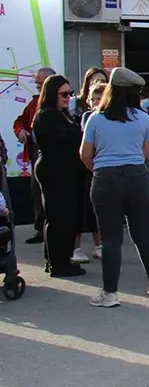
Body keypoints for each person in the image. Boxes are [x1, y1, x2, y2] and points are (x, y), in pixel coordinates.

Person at [80, 67, 149, 307]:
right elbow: (147, 153)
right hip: (137, 175)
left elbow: (85, 154)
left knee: (110, 238)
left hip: (105, 178)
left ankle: (110, 293)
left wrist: (99, 169)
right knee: (143, 233)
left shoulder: (96, 117)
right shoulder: (143, 117)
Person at [32, 74, 88, 277]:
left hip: (64, 171)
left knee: (63, 218)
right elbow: (67, 140)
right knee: (59, 218)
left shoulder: (61, 114)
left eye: (70, 94)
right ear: (51, 94)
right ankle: (58, 263)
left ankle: (58, 260)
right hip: (55, 171)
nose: (68, 97)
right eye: (64, 94)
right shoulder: (47, 115)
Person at [14, 66, 55, 244]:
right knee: (37, 191)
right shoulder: (34, 102)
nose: (36, 85)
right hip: (36, 154)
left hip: (56, 156)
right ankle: (41, 229)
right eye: (36, 82)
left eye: (40, 82)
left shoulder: (61, 102)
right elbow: (19, 121)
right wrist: (21, 130)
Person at [73, 81, 106, 262]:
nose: (96, 103)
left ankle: (99, 244)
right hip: (87, 167)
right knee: (83, 207)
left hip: (103, 167)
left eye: (100, 99)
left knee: (99, 210)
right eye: (94, 99)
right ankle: (76, 247)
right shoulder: (88, 116)